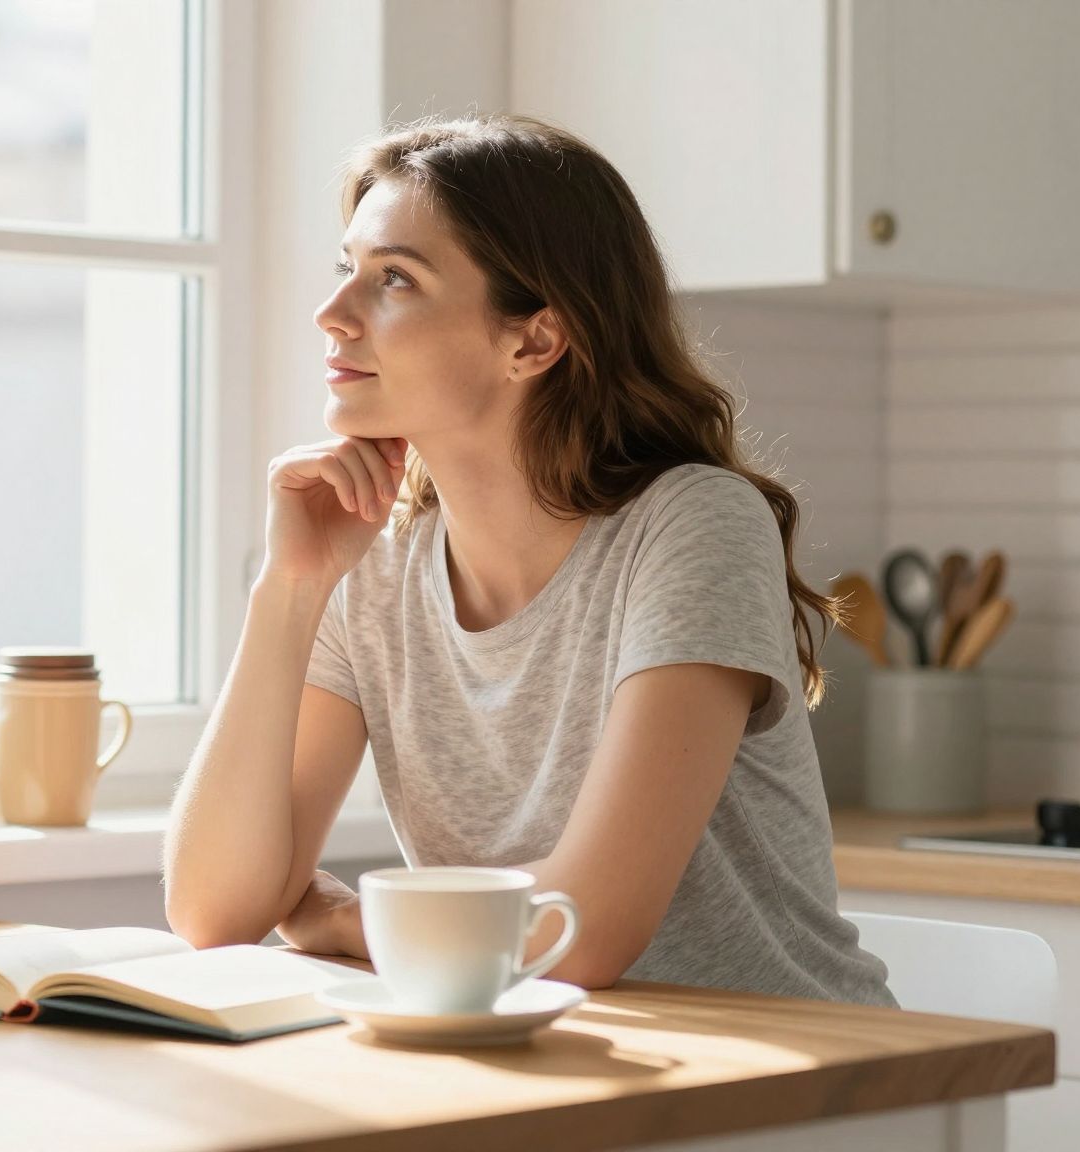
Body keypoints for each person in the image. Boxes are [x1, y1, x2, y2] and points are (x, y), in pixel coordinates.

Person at [161, 114, 894, 1006]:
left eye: (393, 278)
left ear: (533, 341)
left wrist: (350, 920)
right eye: (345, 270)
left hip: (800, 1086)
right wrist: (291, 586)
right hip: (559, 1062)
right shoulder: (377, 564)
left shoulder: (693, 526)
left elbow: (582, 931)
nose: (333, 313)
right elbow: (213, 910)